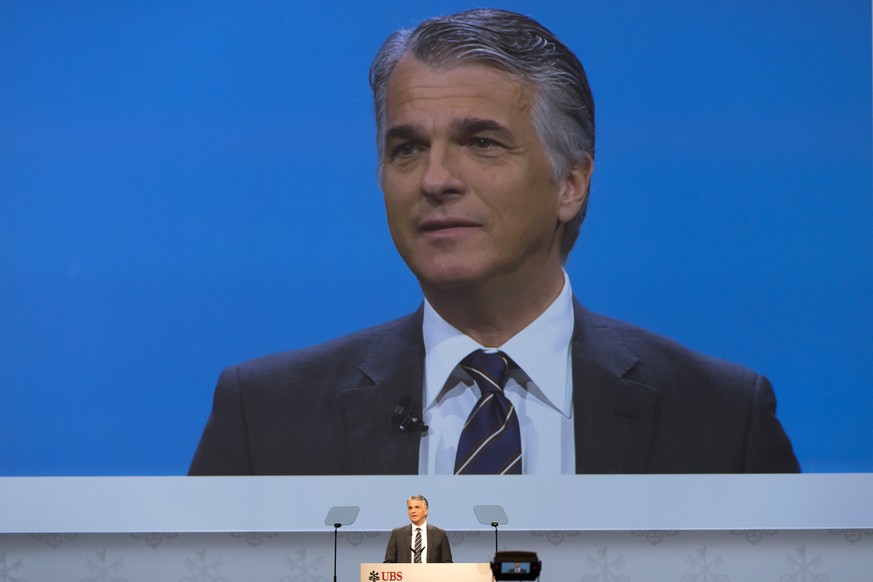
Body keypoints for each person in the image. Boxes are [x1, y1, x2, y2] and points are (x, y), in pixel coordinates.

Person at [188, 8, 799, 476]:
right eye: (407, 149)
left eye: (481, 143)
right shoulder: (264, 418)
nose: (435, 180)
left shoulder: (720, 419)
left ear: (571, 183)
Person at [383, 495, 453, 563]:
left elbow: (447, 563)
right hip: (406, 574)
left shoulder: (439, 534)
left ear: (426, 511)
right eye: (410, 508)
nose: (413, 511)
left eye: (417, 507)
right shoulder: (397, 534)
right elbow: (389, 563)